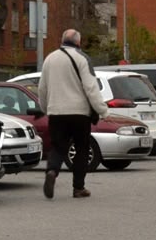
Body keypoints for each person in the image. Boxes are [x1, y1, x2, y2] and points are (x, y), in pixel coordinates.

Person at [37, 29, 109, 200]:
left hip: (56, 112)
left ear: (62, 41)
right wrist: (103, 111)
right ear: (78, 42)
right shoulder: (82, 58)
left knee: (58, 146)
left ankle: (52, 171)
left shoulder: (49, 59)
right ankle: (78, 188)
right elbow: (91, 88)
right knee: (81, 149)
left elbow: (42, 88)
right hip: (79, 113)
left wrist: (46, 108)